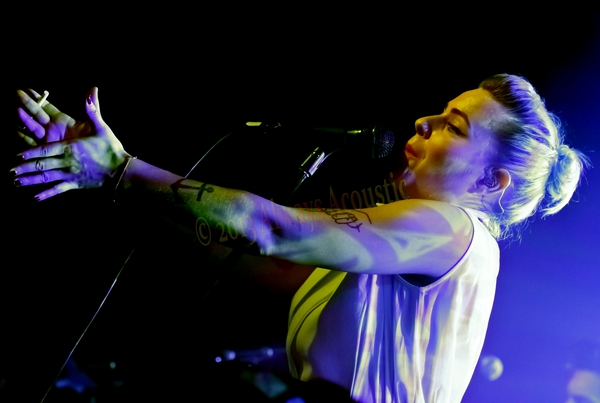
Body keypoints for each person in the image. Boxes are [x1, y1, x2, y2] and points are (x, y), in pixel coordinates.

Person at [11, 74, 589, 403]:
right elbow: (243, 253)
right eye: (440, 112)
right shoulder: (419, 242)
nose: (424, 123)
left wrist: (121, 169)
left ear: (490, 182)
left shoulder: (452, 227)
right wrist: (110, 180)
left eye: (453, 128)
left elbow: (271, 230)